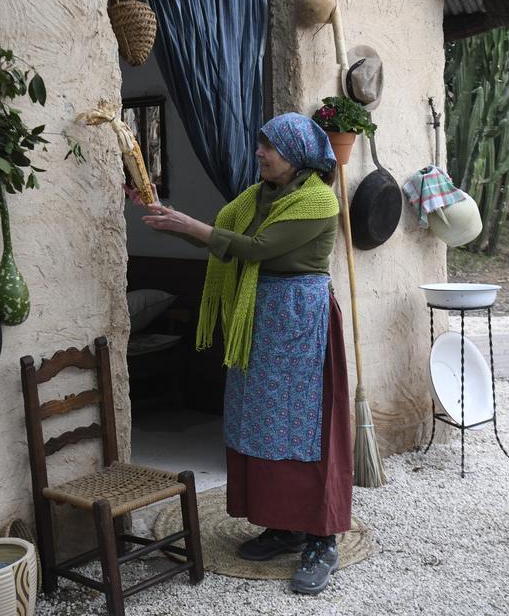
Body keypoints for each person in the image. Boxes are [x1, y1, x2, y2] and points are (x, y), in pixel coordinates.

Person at [126, 111, 353, 596]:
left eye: (268, 147)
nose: (259, 153)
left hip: (299, 323)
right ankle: (284, 524)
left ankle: (322, 538)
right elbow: (224, 240)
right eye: (261, 145)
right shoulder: (259, 196)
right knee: (262, 422)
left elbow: (253, 248)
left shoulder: (316, 201)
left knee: (305, 428)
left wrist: (193, 227)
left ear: (294, 155)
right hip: (260, 323)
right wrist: (167, 219)